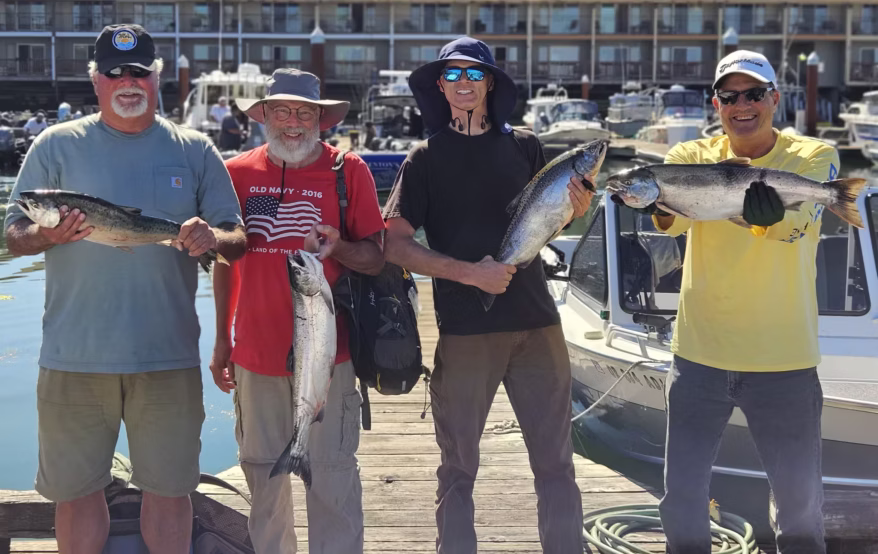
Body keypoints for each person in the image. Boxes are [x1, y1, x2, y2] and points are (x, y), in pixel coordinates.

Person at [3, 23, 247, 554]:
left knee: (171, 492)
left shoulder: (195, 148)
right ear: (96, 80)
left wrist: (212, 236)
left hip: (168, 356)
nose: (128, 81)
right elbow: (15, 234)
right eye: (115, 73)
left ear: (157, 77)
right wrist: (46, 235)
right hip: (72, 356)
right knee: (75, 495)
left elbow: (237, 239)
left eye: (139, 71)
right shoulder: (54, 144)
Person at [614, 50, 834, 553]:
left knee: (800, 505)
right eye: (729, 96)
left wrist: (767, 218)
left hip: (784, 360)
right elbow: (676, 222)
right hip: (699, 357)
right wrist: (655, 204)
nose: (742, 105)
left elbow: (798, 226)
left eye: (753, 94)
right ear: (716, 104)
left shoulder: (812, 157)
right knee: (682, 496)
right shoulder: (689, 156)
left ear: (774, 98)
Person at [382, 37, 594, 554]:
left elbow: (548, 222)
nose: (464, 83)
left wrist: (575, 210)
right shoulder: (425, 158)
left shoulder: (526, 146)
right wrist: (469, 274)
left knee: (556, 463)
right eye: (453, 74)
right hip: (466, 331)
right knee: (458, 467)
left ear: (491, 83)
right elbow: (393, 243)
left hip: (538, 324)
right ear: (440, 86)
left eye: (474, 73)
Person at [209, 68, 385, 554]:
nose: (293, 122)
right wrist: (222, 339)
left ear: (320, 119)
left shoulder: (348, 170)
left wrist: (339, 248)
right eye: (282, 111)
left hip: (331, 360)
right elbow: (225, 262)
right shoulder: (236, 173)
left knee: (332, 481)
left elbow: (375, 258)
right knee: (263, 483)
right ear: (264, 115)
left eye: (304, 112)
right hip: (255, 356)